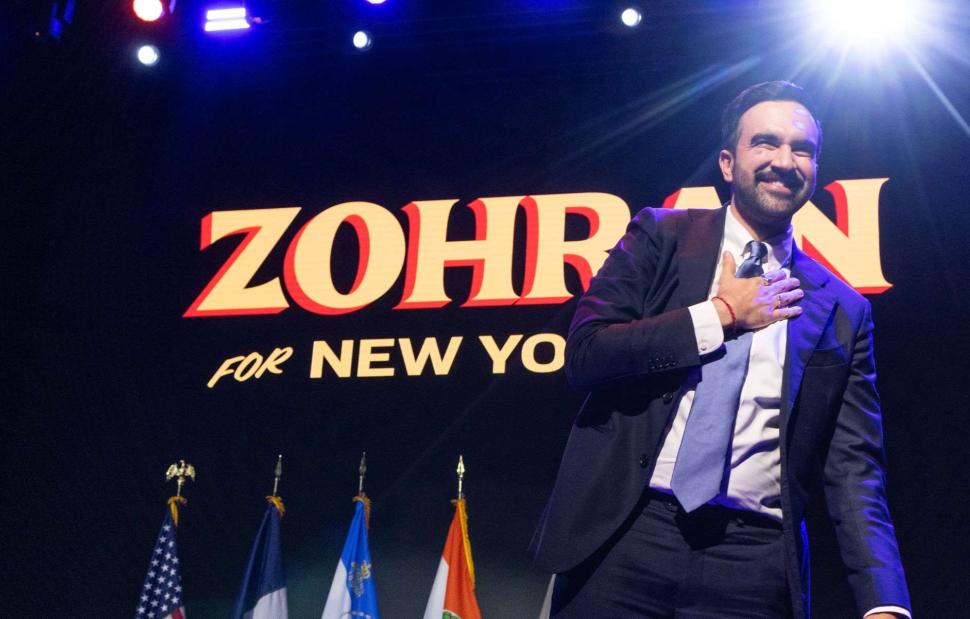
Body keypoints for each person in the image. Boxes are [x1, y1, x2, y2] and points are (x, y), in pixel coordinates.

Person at [530, 82, 911, 618]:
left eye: (802, 150)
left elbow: (854, 468)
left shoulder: (842, 308)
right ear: (728, 163)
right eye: (766, 143)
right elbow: (588, 355)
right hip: (627, 538)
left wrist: (884, 600)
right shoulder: (660, 236)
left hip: (754, 563)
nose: (785, 161)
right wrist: (721, 315)